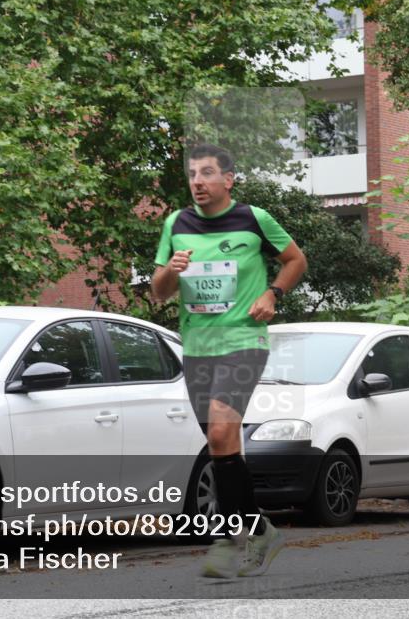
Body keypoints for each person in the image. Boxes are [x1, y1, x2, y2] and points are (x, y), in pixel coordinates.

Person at [152, 144, 307, 577]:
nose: (198, 181)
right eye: (192, 174)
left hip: (243, 340)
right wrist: (171, 271)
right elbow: (158, 292)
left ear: (228, 179)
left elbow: (295, 260)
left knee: (221, 430)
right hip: (197, 348)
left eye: (206, 173)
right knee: (222, 444)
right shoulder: (175, 224)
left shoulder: (254, 219)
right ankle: (259, 531)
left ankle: (227, 536)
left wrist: (272, 293)